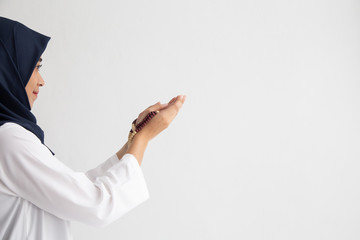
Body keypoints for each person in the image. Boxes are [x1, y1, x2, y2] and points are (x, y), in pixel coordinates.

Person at [0, 16, 186, 240]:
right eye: (35, 66)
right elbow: (96, 204)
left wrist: (134, 137)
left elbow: (77, 190)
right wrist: (143, 138)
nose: (41, 80)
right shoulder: (9, 139)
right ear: (8, 68)